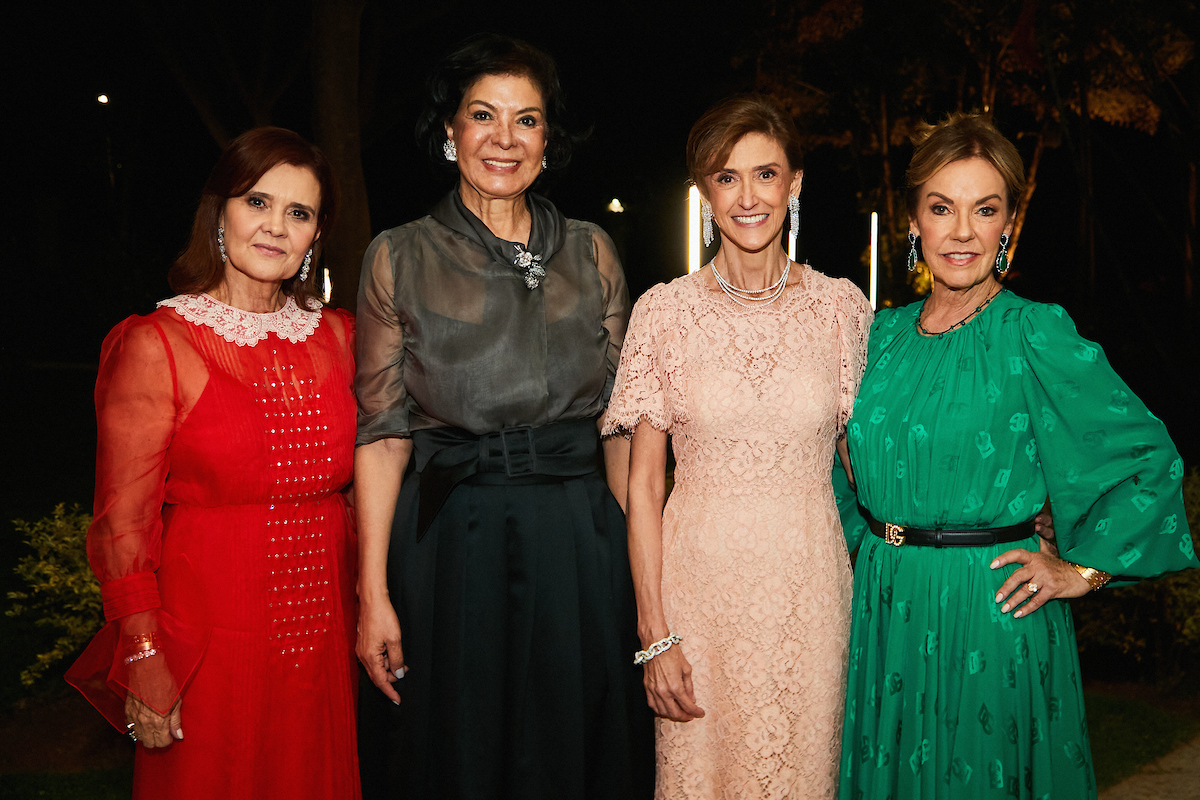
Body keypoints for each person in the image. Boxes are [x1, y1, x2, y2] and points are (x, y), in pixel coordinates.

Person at [835, 112, 1198, 800]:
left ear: (1006, 226)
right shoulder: (876, 338)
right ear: (913, 221)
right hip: (888, 613)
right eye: (942, 208)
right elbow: (831, 465)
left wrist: (1085, 570)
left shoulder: (1034, 330)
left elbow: (1150, 460)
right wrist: (868, 549)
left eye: (985, 209)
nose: (962, 231)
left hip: (992, 613)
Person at [353, 33, 653, 799]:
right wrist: (374, 591)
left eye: (527, 120)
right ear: (449, 133)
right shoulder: (398, 255)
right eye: (482, 115)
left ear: (548, 140)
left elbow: (621, 427)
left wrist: (642, 568)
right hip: (451, 535)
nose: (504, 138)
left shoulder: (593, 253)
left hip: (577, 533)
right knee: (457, 747)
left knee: (575, 744)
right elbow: (383, 434)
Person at [65, 127, 360, 798]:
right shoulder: (157, 343)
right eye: (257, 202)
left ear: (316, 235)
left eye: (299, 213)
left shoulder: (340, 336)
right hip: (207, 639)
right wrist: (142, 655)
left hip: (319, 633)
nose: (275, 228)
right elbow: (122, 525)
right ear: (219, 213)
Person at [603, 94, 873, 798]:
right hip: (697, 597)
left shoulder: (842, 309)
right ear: (704, 193)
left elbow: (871, 468)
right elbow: (641, 488)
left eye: (765, 174)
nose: (748, 196)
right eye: (727, 177)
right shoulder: (663, 312)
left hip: (809, 595)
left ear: (795, 184)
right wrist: (654, 634)